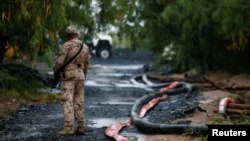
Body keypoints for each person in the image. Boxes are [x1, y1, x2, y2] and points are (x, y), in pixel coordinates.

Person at [53, 25, 90, 136]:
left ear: (68, 35)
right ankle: (81, 127)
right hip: (80, 76)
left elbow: (59, 62)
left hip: (68, 77)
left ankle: (69, 128)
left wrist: (55, 73)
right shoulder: (85, 47)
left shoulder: (66, 45)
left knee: (67, 101)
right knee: (79, 101)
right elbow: (87, 64)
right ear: (77, 34)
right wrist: (84, 75)